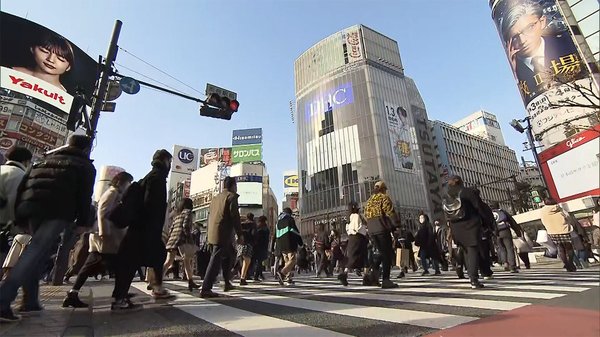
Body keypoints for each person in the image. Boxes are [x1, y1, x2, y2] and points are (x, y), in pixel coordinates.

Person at [0, 135, 95, 322]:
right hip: (57, 210)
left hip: (31, 209)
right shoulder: (84, 165)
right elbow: (85, 196)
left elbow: (23, 186)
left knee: (36, 252)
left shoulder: (44, 160)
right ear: (86, 149)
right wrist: (83, 222)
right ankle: (3, 300)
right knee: (36, 251)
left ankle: (30, 301)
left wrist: (20, 215)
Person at [111, 149, 173, 313]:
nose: (170, 165)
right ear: (165, 161)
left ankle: (126, 295)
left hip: (138, 227)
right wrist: (154, 229)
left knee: (144, 259)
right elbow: (153, 206)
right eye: (170, 162)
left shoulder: (149, 176)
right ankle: (121, 299)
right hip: (146, 228)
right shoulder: (157, 179)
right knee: (133, 262)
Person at [62, 171, 133, 308]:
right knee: (122, 266)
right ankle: (119, 297)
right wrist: (103, 232)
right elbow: (102, 212)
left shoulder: (115, 194)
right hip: (105, 238)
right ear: (120, 182)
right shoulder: (112, 193)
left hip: (105, 238)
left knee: (90, 267)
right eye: (127, 183)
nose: (127, 187)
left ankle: (74, 293)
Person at [500, 0, 585, 102]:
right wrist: (516, 72)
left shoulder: (568, 42)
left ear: (542, 21)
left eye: (529, 28)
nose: (522, 41)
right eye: (514, 37)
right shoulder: (518, 69)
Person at [442, 175, 493, 289]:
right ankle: (474, 279)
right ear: (460, 181)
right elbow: (479, 207)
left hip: (456, 227)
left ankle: (471, 275)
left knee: (466, 251)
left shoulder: (447, 195)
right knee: (473, 251)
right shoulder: (467, 192)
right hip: (470, 224)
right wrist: (486, 223)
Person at [200, 176, 242, 298]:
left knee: (230, 255)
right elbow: (235, 216)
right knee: (216, 259)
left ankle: (227, 282)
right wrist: (240, 234)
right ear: (233, 186)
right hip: (223, 233)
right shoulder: (231, 197)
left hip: (214, 232)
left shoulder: (216, 198)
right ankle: (206, 288)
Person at [364, 181, 400, 289]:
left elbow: (365, 215)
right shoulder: (384, 198)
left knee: (381, 253)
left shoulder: (369, 200)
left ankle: (372, 277)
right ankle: (386, 279)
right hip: (382, 228)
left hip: (372, 230)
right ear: (383, 189)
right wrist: (396, 226)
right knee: (387, 254)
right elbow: (390, 213)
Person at [163, 198, 199, 292]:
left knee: (169, 262)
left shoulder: (177, 216)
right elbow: (186, 226)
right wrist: (189, 238)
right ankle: (190, 281)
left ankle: (156, 280)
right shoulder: (188, 212)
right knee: (186, 260)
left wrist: (169, 239)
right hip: (181, 239)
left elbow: (171, 229)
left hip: (172, 240)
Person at [539, 198, 577, 272]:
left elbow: (543, 221)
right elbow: (568, 217)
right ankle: (571, 263)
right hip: (564, 230)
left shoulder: (543, 211)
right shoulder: (559, 208)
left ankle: (566, 264)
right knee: (569, 248)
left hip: (552, 232)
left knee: (560, 249)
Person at [0, 146, 32, 230]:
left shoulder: (2, 168)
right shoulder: (19, 175)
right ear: (25, 161)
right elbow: (14, 202)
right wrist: (16, 227)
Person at [337, 202, 369, 286]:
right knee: (364, 256)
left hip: (351, 238)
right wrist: (364, 229)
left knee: (352, 257)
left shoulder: (349, 217)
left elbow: (349, 229)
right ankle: (366, 277)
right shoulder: (355, 216)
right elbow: (357, 228)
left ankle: (344, 274)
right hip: (358, 237)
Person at [490, 202, 522, 273]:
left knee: (501, 248)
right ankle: (512, 266)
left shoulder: (488, 214)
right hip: (505, 231)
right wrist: (518, 232)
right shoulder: (502, 212)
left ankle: (505, 263)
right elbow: (512, 222)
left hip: (495, 233)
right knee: (509, 248)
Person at [275, 207, 303, 286]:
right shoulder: (290, 220)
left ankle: (289, 279)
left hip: (281, 244)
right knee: (292, 260)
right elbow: (295, 231)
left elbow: (276, 235)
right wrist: (300, 242)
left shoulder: (278, 221)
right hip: (289, 242)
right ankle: (282, 273)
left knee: (287, 261)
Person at [414, 211, 441, 276]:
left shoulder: (428, 225)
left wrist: (429, 242)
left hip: (430, 244)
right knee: (422, 257)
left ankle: (437, 270)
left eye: (422, 218)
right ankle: (425, 269)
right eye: (420, 218)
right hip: (423, 245)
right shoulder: (420, 227)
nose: (421, 219)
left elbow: (430, 234)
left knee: (433, 257)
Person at [237, 213, 256, 285]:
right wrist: (254, 242)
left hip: (240, 243)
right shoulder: (253, 224)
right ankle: (242, 278)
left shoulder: (242, 224)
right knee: (247, 261)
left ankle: (241, 277)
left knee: (241, 260)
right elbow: (254, 234)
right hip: (248, 243)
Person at [251, 215, 270, 281]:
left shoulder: (258, 228)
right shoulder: (265, 228)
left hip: (257, 247)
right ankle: (257, 276)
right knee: (259, 262)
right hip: (262, 247)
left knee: (258, 262)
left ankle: (258, 275)